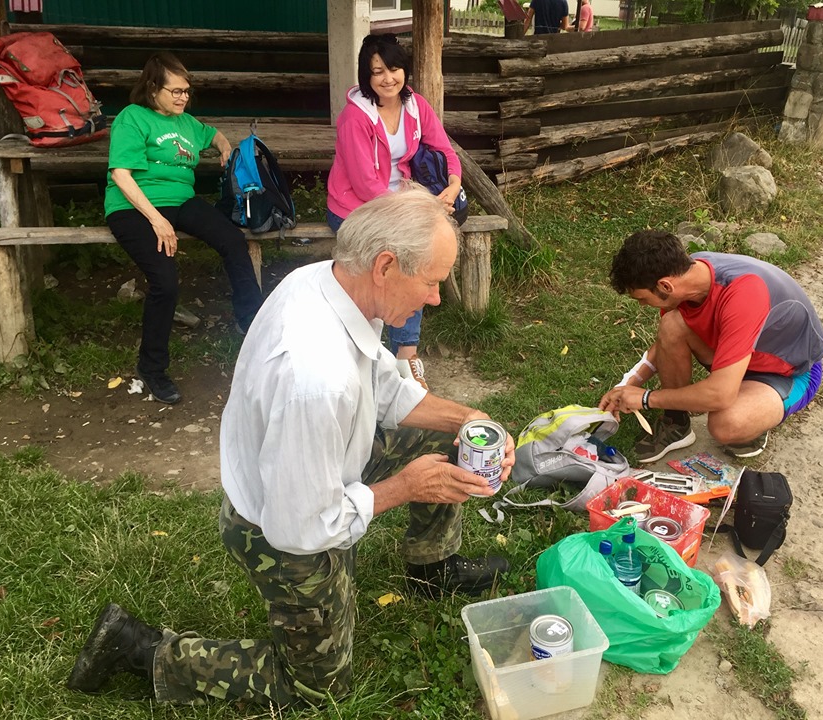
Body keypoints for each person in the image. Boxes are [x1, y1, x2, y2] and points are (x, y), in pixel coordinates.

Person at [66, 187, 515, 707]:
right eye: (433, 281)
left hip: (307, 467)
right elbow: (303, 525)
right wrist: (407, 486)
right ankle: (142, 650)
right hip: (277, 526)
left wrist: (471, 419)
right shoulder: (317, 378)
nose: (436, 298)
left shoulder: (331, 281)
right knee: (318, 689)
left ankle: (432, 568)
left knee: (445, 433)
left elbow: (387, 388)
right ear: (386, 266)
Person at [104, 52, 263, 405]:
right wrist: (155, 220)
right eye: (174, 91)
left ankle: (251, 323)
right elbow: (121, 175)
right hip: (133, 206)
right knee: (165, 281)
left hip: (181, 201)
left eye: (186, 91)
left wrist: (224, 146)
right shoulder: (132, 118)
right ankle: (152, 368)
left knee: (234, 242)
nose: (182, 97)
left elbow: (214, 134)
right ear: (152, 88)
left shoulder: (188, 123)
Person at [598, 230, 823, 462]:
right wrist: (626, 385)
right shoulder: (689, 273)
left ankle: (756, 420)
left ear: (665, 286)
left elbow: (720, 395)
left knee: (727, 424)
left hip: (789, 370)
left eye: (642, 299)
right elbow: (666, 341)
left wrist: (646, 398)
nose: (642, 305)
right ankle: (676, 424)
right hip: (739, 353)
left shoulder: (744, 293)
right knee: (672, 324)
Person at [327, 34, 463, 390]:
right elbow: (364, 183)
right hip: (355, 208)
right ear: (365, 76)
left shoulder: (415, 105)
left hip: (405, 201)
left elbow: (444, 148)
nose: (388, 78)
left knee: (415, 253)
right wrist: (420, 209)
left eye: (394, 68)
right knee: (405, 254)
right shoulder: (354, 117)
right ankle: (376, 351)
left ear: (404, 70)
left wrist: (452, 184)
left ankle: (406, 352)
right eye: (377, 72)